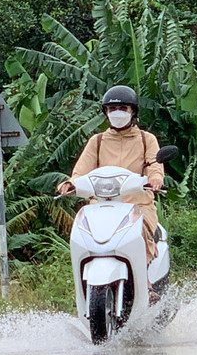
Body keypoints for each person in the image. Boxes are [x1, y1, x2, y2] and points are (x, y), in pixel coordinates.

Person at [58, 85, 165, 263]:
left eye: (123, 108)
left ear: (133, 112)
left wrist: (155, 179)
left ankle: (144, 277)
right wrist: (71, 183)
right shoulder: (97, 141)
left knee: (139, 235)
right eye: (112, 108)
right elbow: (81, 170)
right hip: (101, 206)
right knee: (83, 237)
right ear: (106, 112)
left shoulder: (147, 139)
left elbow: (154, 164)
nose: (117, 112)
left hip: (138, 205)